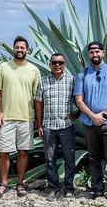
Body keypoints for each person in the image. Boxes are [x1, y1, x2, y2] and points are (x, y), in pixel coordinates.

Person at [0, 36, 41, 199]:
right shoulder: (3, 67)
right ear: (13, 49)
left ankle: (20, 183)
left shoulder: (34, 70)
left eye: (22, 47)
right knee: (4, 152)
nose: (19, 50)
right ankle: (3, 184)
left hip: (26, 117)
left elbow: (37, 96)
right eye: (17, 47)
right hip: (6, 117)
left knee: (23, 152)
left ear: (27, 50)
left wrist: (37, 120)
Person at [74, 41, 107, 199]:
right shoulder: (82, 75)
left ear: (103, 53)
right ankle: (98, 190)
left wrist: (103, 116)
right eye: (91, 52)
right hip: (90, 124)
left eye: (97, 52)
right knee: (94, 158)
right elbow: (79, 100)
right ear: (88, 55)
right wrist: (93, 117)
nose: (94, 55)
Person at [34, 53, 79, 201]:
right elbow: (38, 104)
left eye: (60, 62)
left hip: (66, 126)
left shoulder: (72, 81)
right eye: (54, 62)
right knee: (50, 159)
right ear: (50, 65)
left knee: (69, 159)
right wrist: (39, 124)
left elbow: (80, 99)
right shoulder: (43, 81)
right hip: (48, 127)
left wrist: (78, 114)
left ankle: (69, 189)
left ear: (64, 65)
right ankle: (53, 189)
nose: (57, 65)